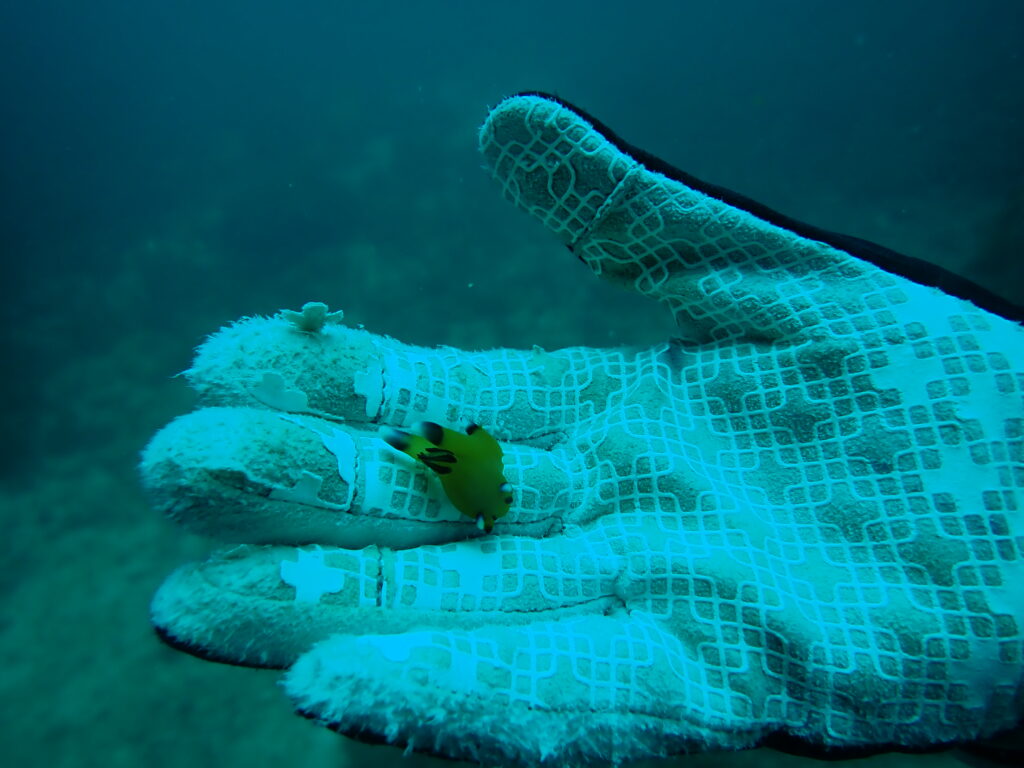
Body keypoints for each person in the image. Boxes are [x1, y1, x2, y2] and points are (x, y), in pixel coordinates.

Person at [144, 92, 1024, 766]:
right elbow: (460, 467)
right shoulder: (471, 469)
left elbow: (470, 473)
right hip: (475, 468)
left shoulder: (479, 474)